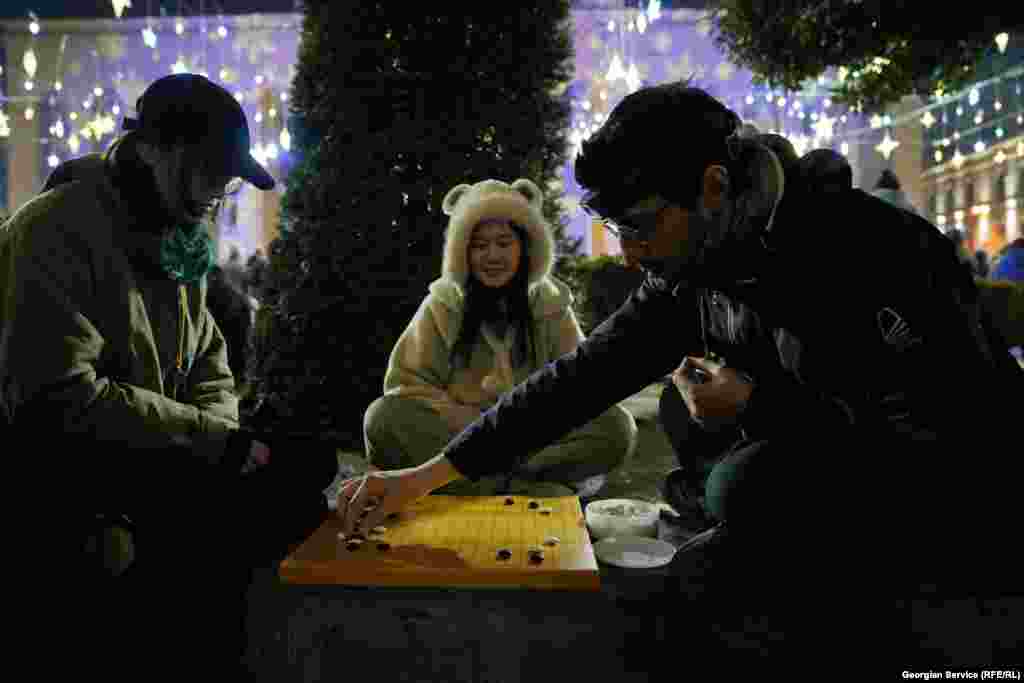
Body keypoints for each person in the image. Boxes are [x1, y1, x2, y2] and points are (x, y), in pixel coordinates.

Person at [329, 82, 1024, 668]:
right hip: (809, 456)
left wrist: (763, 404)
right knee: (692, 495)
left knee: (746, 489)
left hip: (948, 500)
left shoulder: (867, 251)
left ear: (714, 187)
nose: (631, 255)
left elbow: (951, 435)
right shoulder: (691, 267)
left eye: (640, 227)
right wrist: (426, 475)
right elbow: (581, 377)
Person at [1, 73, 339, 679]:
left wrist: (222, 439)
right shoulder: (54, 232)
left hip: (161, 446)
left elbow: (207, 354)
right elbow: (58, 399)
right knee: (250, 520)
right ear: (160, 149)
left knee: (304, 474)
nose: (221, 192)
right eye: (213, 171)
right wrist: (216, 444)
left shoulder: (176, 234)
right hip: (73, 469)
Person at [364, 178, 637, 497]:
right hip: (459, 434)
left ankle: (481, 484)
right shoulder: (443, 303)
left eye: (504, 243)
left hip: (530, 437)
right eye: (479, 245)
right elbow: (405, 384)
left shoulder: (550, 304)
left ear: (525, 247)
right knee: (382, 418)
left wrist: (525, 427)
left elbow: (580, 386)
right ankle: (517, 488)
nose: (492, 255)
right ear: (462, 252)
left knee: (616, 427)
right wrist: (461, 417)